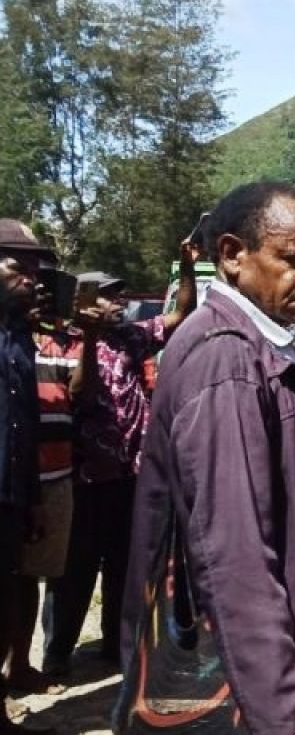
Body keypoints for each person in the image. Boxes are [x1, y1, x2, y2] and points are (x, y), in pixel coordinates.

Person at [119, 182, 295, 734]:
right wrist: (286, 714)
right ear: (232, 255)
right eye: (294, 260)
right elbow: (235, 559)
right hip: (254, 689)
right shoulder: (228, 359)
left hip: (277, 663)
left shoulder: (260, 347)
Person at [42, 249, 198, 677]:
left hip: (131, 476)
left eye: (119, 295)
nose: (119, 303)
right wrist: (90, 337)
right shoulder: (61, 342)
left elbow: (181, 315)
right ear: (81, 300)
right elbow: (82, 393)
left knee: (123, 566)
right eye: (108, 296)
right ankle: (57, 654)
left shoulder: (130, 336)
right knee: (74, 570)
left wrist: (187, 265)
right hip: (85, 477)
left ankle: (116, 644)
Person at [6, 308, 82, 697]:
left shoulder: (55, 340)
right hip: (10, 481)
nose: (34, 289)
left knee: (28, 579)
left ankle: (20, 667)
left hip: (45, 479)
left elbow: (80, 391)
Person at [0, 220, 54, 735]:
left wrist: (33, 497)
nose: (32, 278)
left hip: (12, 495)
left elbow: (25, 424)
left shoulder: (17, 336)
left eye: (36, 269)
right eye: (20, 267)